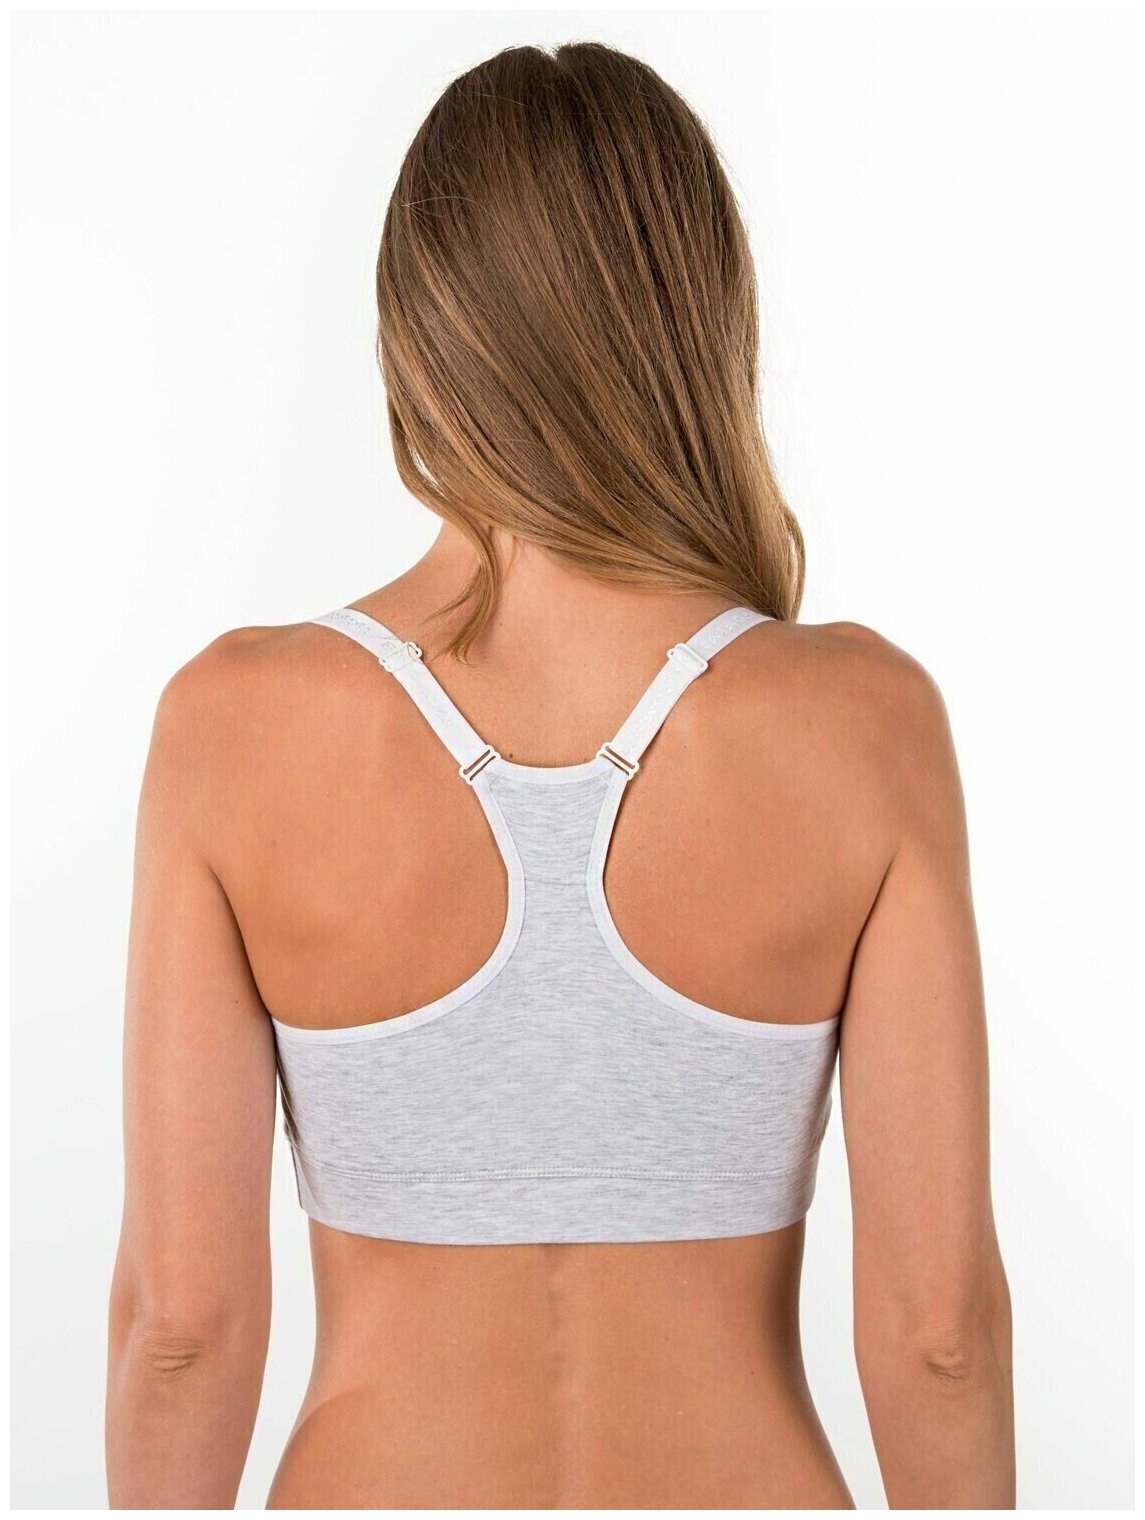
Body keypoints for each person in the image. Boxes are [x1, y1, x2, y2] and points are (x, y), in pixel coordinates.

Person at [105, 41, 1014, 1509]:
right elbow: (938, 1338)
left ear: (417, 328)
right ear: (699, 319)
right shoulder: (862, 722)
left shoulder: (236, 726)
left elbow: (181, 1333)